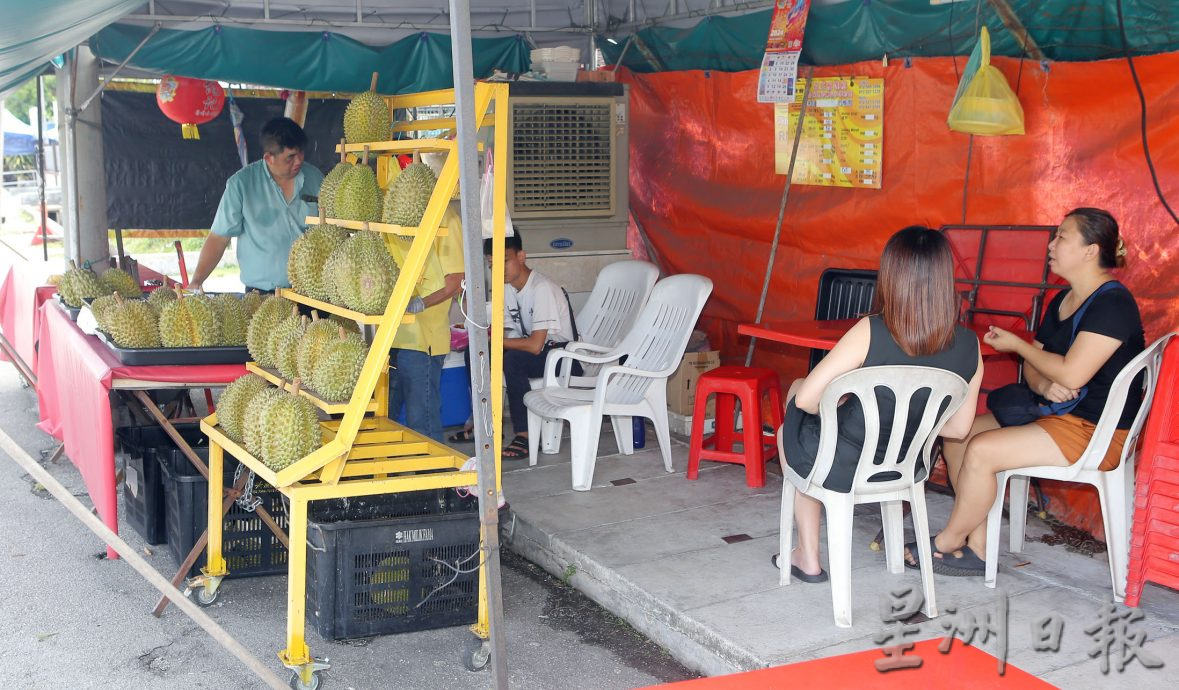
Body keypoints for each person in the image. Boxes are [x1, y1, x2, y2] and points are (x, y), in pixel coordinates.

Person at [914, 208, 1144, 576]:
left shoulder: (1112, 304)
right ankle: (978, 547)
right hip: (1057, 416)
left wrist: (1017, 347)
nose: (1051, 245)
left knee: (982, 450)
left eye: (1063, 237)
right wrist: (1042, 383)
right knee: (958, 435)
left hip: (1095, 430)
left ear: (1090, 251)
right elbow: (1038, 370)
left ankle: (947, 542)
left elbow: (1071, 371)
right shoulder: (1062, 300)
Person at [773, 226, 984, 582]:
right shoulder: (970, 345)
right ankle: (807, 550)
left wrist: (838, 404)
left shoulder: (871, 330)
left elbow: (808, 400)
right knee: (811, 403)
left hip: (843, 464)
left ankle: (807, 555)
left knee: (791, 418)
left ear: (891, 276)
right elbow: (960, 428)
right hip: (907, 465)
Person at [189, 117, 324, 292]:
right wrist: (197, 280)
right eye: (290, 157)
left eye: (301, 153)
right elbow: (219, 238)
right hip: (262, 296)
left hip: (312, 292)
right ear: (269, 158)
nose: (298, 161)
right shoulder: (241, 184)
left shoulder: (316, 179)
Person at [483, 230, 577, 459]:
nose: (499, 269)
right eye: (491, 264)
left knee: (513, 360)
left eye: (505, 260)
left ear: (521, 256)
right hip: (541, 353)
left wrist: (496, 340)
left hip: (565, 358)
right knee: (475, 353)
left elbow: (535, 345)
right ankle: (480, 424)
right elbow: (510, 333)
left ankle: (525, 434)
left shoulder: (541, 288)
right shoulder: (505, 288)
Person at [387, 200, 465, 442]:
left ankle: (435, 478)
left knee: (422, 423)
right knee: (382, 418)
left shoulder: (446, 217)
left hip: (423, 340)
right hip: (390, 335)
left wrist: (420, 303)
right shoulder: (389, 211)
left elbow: (455, 280)